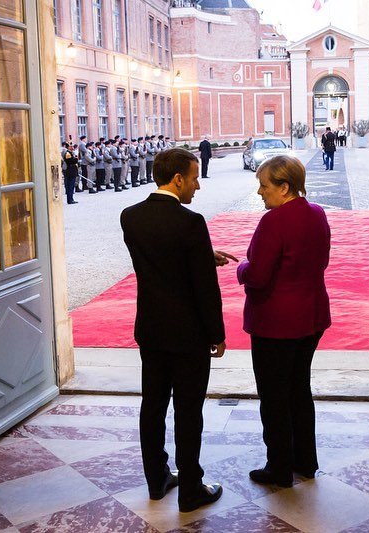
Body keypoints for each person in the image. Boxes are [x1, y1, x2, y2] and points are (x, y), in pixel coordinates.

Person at [121, 148, 234, 513]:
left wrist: (203, 253)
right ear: (178, 179)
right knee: (188, 411)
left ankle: (156, 481)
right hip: (187, 335)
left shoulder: (130, 217)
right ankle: (190, 489)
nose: (198, 186)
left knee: (152, 406)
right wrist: (217, 332)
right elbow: (203, 287)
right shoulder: (191, 222)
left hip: (151, 329)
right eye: (195, 177)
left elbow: (160, 260)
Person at [236, 155, 331, 487]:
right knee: (299, 390)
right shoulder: (317, 213)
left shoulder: (273, 221)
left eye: (264, 186)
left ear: (284, 187)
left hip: (276, 322)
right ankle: (305, 461)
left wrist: (240, 269)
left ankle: (278, 468)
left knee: (275, 397)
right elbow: (324, 260)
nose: (260, 192)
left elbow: (258, 275)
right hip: (312, 315)